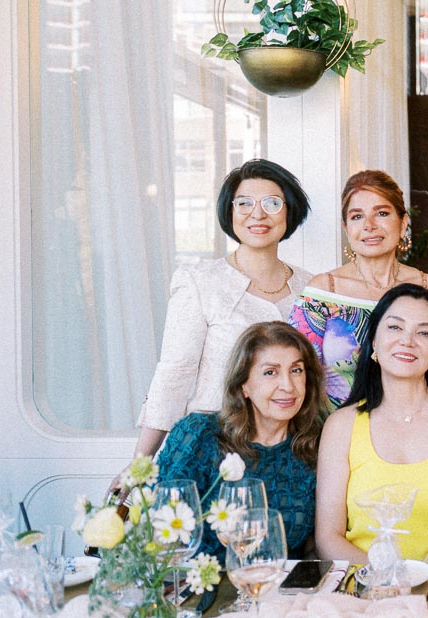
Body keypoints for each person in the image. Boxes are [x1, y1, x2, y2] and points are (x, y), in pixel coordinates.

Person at [129, 159, 312, 467]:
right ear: (229, 212)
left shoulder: (312, 286)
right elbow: (174, 374)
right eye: (244, 203)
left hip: (296, 450)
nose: (258, 214)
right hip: (215, 449)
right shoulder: (199, 283)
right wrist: (138, 465)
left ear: (289, 210)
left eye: (272, 202)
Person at [314, 284, 428, 565]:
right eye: (394, 328)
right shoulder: (341, 425)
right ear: (374, 342)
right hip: (368, 593)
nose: (407, 341)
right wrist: (391, 581)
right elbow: (328, 538)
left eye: (424, 333)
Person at [157, 321, 325, 558]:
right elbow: (160, 531)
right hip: (197, 586)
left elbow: (314, 547)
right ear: (244, 385)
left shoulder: (319, 446)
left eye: (296, 370)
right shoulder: (198, 436)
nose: (288, 386)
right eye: (270, 372)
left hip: (277, 588)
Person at [289, 170, 428, 408]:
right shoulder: (323, 290)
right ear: (346, 227)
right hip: (336, 433)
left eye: (382, 213)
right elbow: (298, 373)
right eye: (357, 217)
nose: (369, 226)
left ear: (403, 224)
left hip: (416, 428)